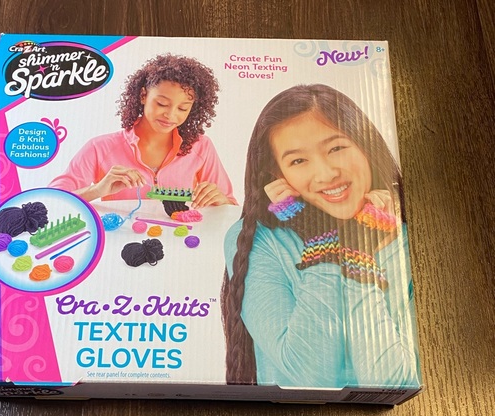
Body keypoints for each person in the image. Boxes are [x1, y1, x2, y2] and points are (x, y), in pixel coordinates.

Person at [222, 84, 420, 389]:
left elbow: (389, 384)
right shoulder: (258, 239)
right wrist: (323, 244)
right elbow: (311, 376)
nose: (326, 174)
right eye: (298, 161)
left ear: (366, 147)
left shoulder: (410, 236)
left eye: (336, 148)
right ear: (278, 174)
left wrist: (357, 249)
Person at [49, 54, 236, 209]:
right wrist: (97, 190)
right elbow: (51, 200)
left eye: (182, 108)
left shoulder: (201, 146)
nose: (170, 115)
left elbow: (230, 205)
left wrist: (221, 200)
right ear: (143, 95)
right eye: (162, 103)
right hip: (124, 240)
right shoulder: (100, 148)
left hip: (184, 239)